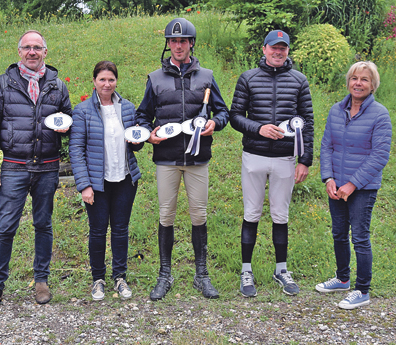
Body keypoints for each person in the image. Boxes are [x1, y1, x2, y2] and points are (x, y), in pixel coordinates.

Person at [136, 17, 230, 300]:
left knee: (199, 215)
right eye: (173, 41)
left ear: (191, 43)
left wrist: (217, 123)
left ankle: (201, 275)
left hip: (198, 158)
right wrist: (147, 134)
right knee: (166, 215)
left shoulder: (207, 76)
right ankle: (165, 274)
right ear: (168, 44)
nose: (178, 45)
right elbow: (142, 116)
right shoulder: (155, 78)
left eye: (183, 41)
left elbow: (222, 111)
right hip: (166, 158)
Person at [0, 30, 72, 313]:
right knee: (6, 226)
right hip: (14, 167)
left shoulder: (57, 85)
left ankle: (41, 280)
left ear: (46, 52)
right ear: (19, 51)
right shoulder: (4, 84)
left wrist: (66, 128)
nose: (32, 52)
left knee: (43, 225)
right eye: (27, 48)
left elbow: (68, 119)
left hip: (47, 167)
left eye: (37, 48)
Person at [230, 30, 314, 298]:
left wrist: (305, 160)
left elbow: (307, 123)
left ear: (288, 51)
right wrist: (259, 129)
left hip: (285, 158)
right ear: (264, 49)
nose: (278, 52)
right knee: (251, 213)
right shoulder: (248, 78)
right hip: (254, 155)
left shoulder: (300, 81)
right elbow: (234, 116)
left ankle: (281, 269)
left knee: (280, 215)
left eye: (283, 48)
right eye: (274, 48)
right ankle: (246, 270)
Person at [316, 61, 392, 310]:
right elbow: (327, 145)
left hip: (363, 188)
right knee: (338, 234)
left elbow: (380, 155)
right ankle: (342, 279)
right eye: (354, 78)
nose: (358, 83)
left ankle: (362, 290)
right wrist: (328, 178)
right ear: (348, 82)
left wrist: (352, 184)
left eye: (365, 79)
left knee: (359, 237)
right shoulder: (336, 110)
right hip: (336, 185)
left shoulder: (379, 114)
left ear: (373, 85)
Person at [68, 61, 143, 301]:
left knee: (121, 230)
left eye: (111, 79)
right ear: (94, 82)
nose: (107, 84)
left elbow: (136, 144)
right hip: (97, 183)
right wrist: (84, 185)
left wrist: (138, 140)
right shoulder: (82, 111)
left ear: (116, 81)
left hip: (124, 178)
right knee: (98, 231)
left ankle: (120, 278)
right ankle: (98, 279)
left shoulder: (128, 108)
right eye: (102, 79)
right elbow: (76, 150)